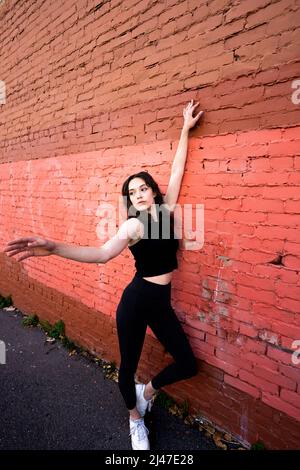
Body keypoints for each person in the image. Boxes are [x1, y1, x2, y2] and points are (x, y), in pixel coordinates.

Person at [3, 100, 204, 450]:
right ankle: (134, 419)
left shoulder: (167, 210)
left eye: (143, 188)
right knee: (127, 366)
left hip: (161, 303)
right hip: (137, 301)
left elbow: (176, 172)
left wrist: (184, 131)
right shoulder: (132, 225)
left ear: (153, 191)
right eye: (132, 192)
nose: (138, 194)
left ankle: (148, 391)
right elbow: (99, 255)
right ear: (129, 201)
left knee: (187, 363)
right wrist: (52, 246)